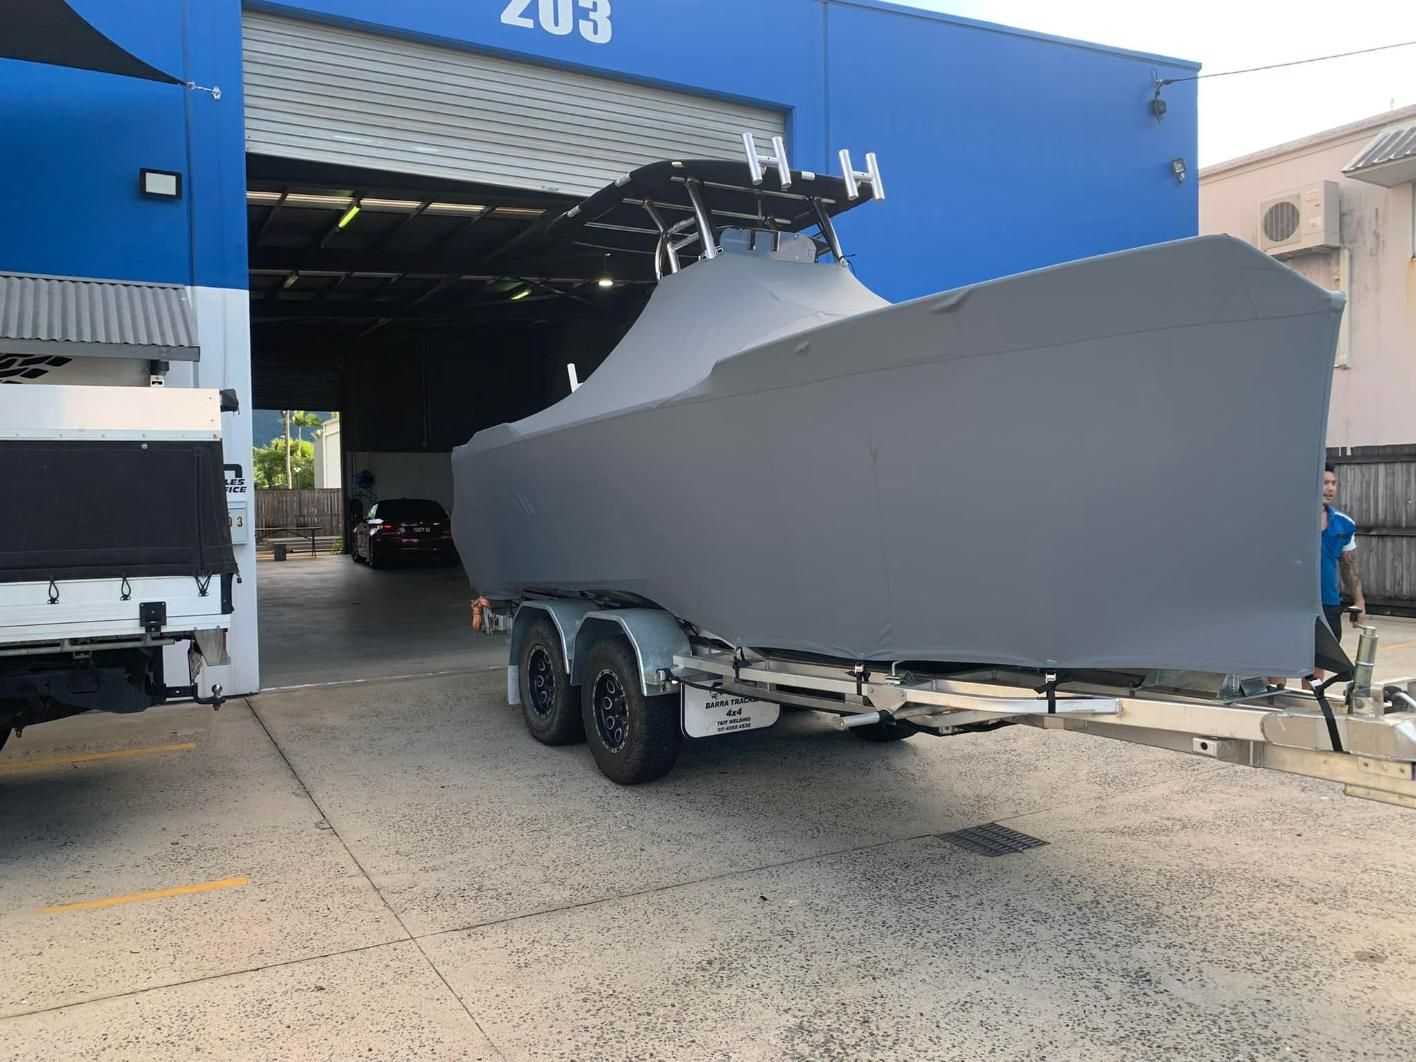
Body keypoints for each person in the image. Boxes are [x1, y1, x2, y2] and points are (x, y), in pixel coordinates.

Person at [1320, 463, 1366, 646]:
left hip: (1328, 601)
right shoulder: (1290, 519)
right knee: (1285, 659)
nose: (1330, 488)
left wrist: (1359, 602)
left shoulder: (1344, 523)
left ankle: (1315, 677)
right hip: (1293, 601)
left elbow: (1349, 565)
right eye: (1324, 483)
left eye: (1333, 483)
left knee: (1321, 657)